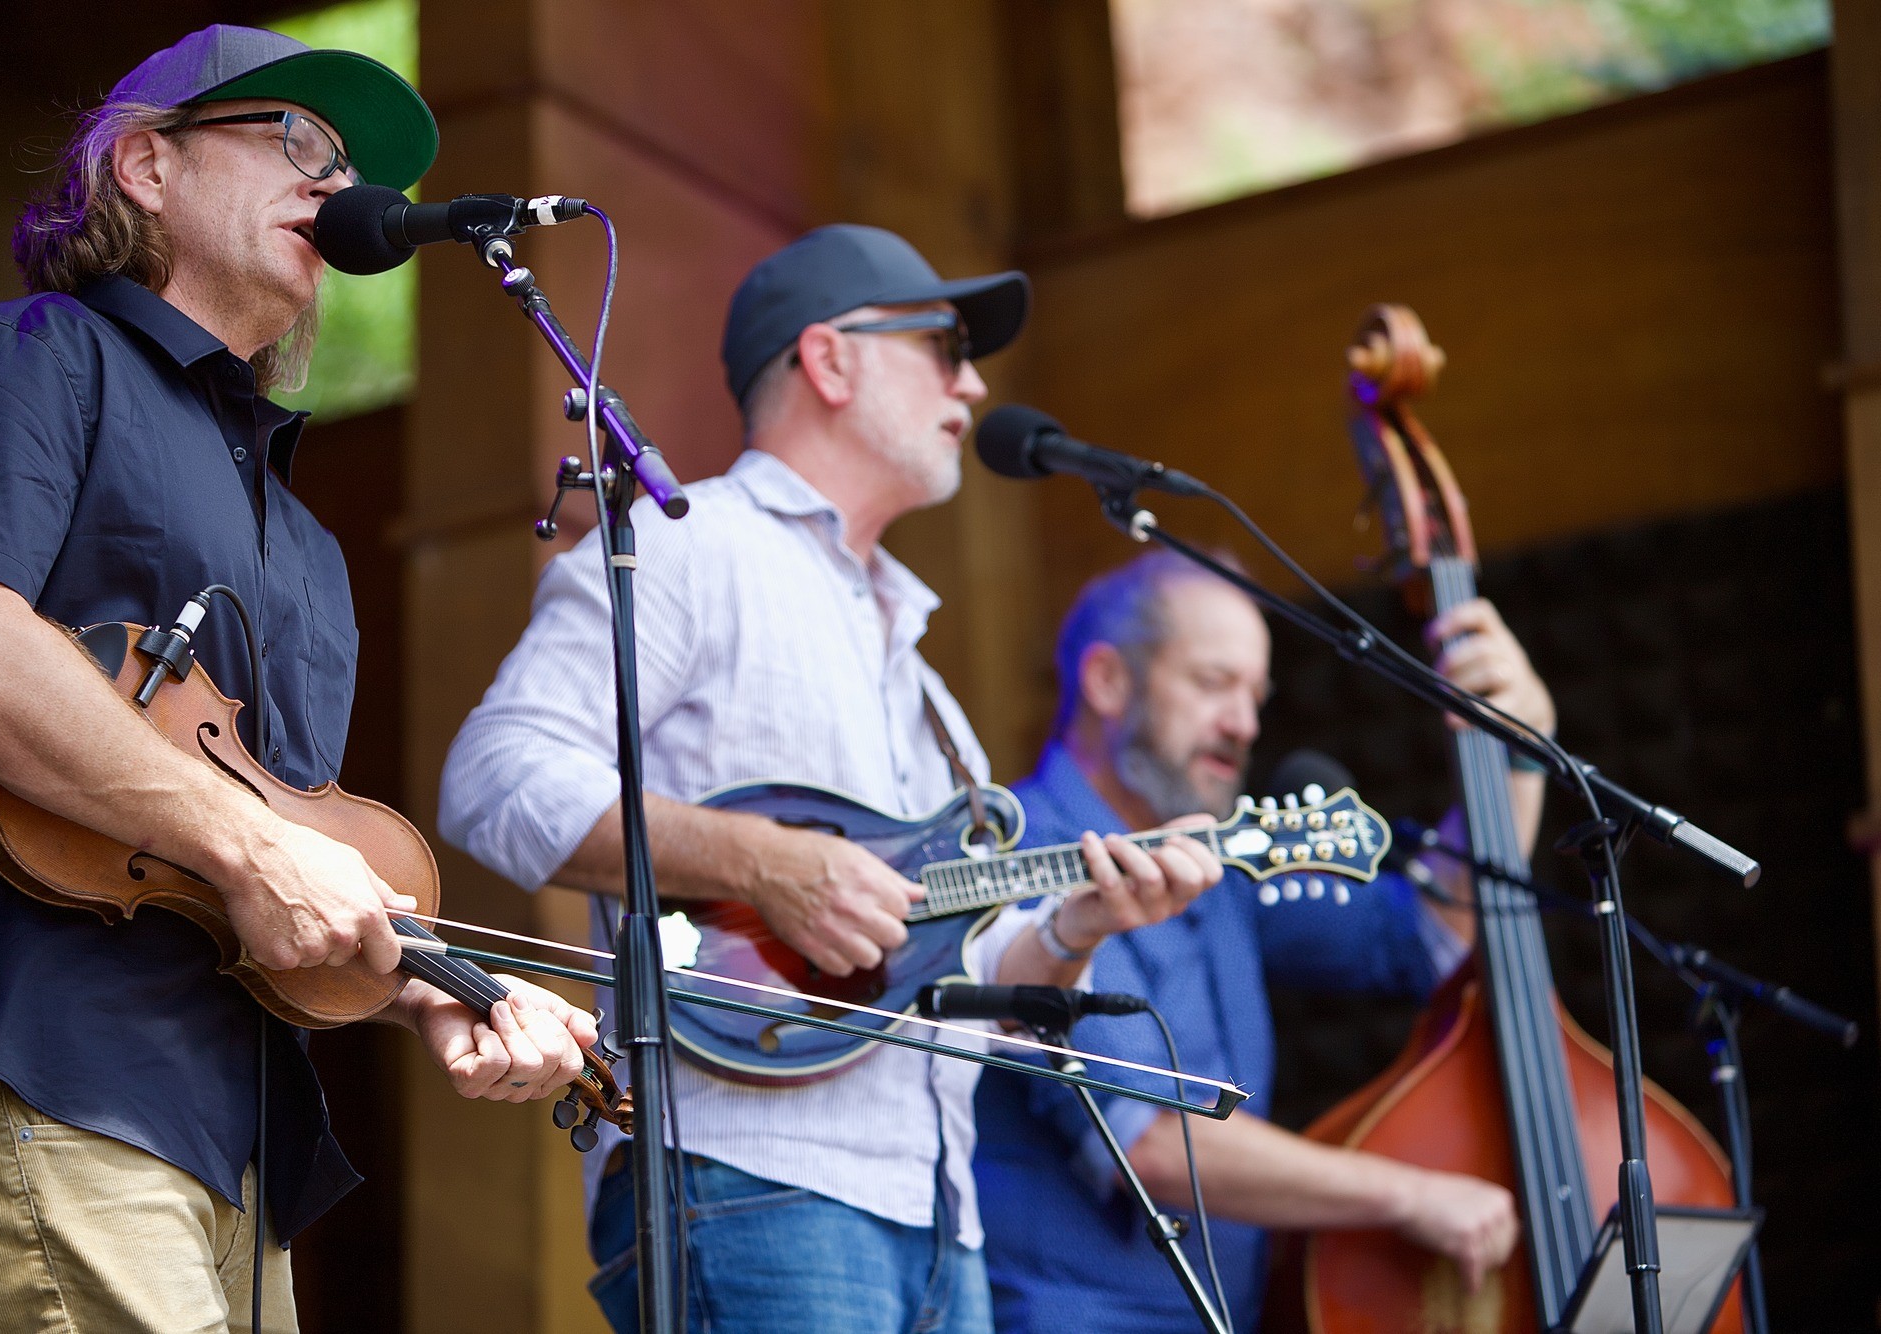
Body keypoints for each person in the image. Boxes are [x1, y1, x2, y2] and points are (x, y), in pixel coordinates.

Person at [0, 26, 594, 1333]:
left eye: (348, 161)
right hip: (59, 1071)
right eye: (293, 139)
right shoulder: (38, 352)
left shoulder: (308, 544)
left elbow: (280, 861)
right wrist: (255, 846)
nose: (335, 179)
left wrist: (448, 992)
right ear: (145, 165)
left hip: (242, 1152)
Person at [440, 224, 1224, 1333]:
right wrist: (764, 862)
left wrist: (1080, 922)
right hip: (748, 1179)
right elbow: (493, 773)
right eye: (944, 345)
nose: (975, 381)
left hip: (940, 1212)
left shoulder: (926, 683)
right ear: (830, 358)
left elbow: (951, 964)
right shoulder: (689, 546)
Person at [974, 550, 1545, 1331]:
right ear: (1107, 682)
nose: (1244, 723)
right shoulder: (1018, 855)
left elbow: (1424, 938)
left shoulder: (1221, 867)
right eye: (1214, 683)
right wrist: (1409, 1193)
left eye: (1255, 695)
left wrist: (1515, 756)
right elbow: (1149, 1138)